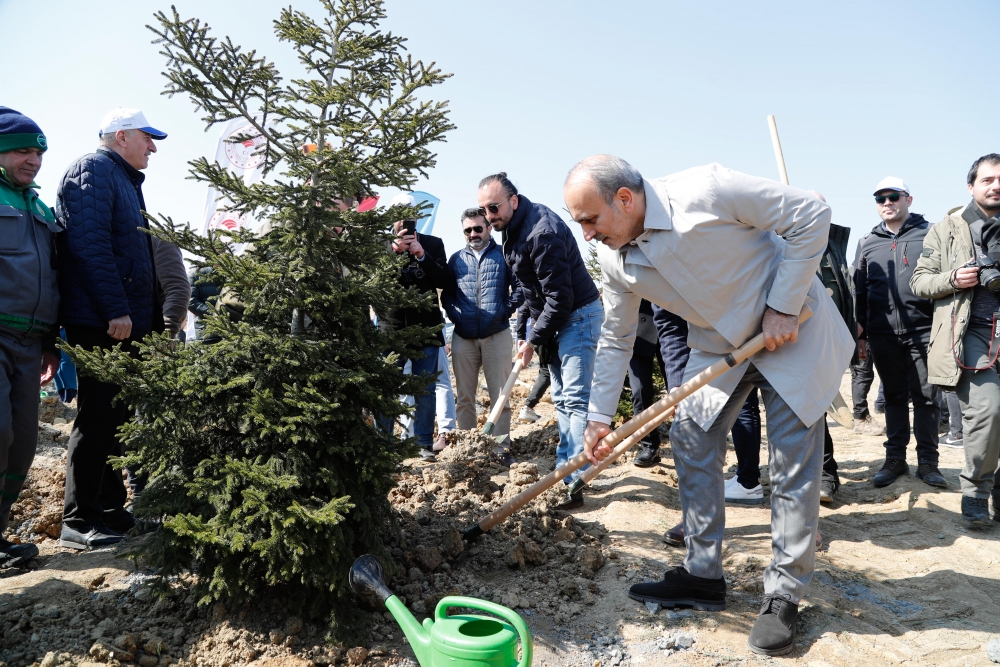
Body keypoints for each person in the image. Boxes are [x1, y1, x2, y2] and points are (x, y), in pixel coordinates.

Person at [567, 155, 852, 656]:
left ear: (626, 200)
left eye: (590, 219)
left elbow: (811, 213)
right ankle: (702, 575)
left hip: (791, 329)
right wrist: (597, 416)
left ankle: (784, 594)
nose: (587, 234)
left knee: (791, 465)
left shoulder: (706, 190)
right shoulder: (615, 259)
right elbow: (616, 337)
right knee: (691, 438)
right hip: (721, 347)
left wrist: (782, 305)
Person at [56, 108, 167, 549]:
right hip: (104, 321)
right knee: (98, 414)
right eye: (147, 138)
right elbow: (90, 246)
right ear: (122, 136)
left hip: (125, 321)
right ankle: (78, 519)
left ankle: (108, 508)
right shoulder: (93, 170)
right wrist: (116, 310)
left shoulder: (121, 177)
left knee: (116, 418)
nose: (153, 147)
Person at [478, 172, 602, 507]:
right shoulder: (512, 233)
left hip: (578, 316)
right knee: (560, 400)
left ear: (513, 201)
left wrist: (534, 339)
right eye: (484, 210)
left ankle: (574, 481)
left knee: (575, 400)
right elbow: (527, 290)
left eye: (494, 207)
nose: (489, 216)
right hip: (553, 319)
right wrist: (523, 335)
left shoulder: (541, 232)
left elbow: (559, 299)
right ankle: (565, 471)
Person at [911, 154, 1000, 525]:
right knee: (988, 410)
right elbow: (919, 280)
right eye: (988, 180)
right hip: (972, 334)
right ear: (972, 186)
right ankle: (976, 491)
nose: (996, 186)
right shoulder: (947, 228)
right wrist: (953, 279)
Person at [854, 178, 944, 488]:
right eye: (880, 198)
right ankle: (894, 460)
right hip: (883, 333)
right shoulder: (867, 242)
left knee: (927, 398)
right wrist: (861, 335)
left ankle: (929, 463)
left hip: (926, 330)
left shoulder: (931, 233)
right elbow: (860, 291)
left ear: (909, 199)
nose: (887, 202)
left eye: (893, 196)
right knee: (893, 397)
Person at [0, 107, 61, 567]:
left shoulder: (41, 209)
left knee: (22, 443)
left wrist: (51, 343)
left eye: (39, 152)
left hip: (30, 343)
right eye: (23, 150)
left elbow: (55, 279)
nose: (34, 160)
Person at [442, 208, 522, 463]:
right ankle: (467, 449)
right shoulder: (455, 260)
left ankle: (500, 449)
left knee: (501, 395)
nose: (473, 233)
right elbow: (447, 295)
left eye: (478, 228)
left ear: (489, 228)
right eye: (468, 230)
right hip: (463, 338)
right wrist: (457, 317)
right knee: (465, 396)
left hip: (496, 335)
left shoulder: (504, 256)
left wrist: (503, 311)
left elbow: (519, 289)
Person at [381, 195, 450, 461]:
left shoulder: (433, 244)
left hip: (426, 327)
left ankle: (423, 443)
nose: (403, 219)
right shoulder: (380, 244)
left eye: (409, 214)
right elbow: (371, 279)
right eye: (399, 213)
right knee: (386, 387)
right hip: (391, 328)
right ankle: (385, 444)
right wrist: (394, 251)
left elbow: (445, 280)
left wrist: (422, 255)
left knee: (425, 389)